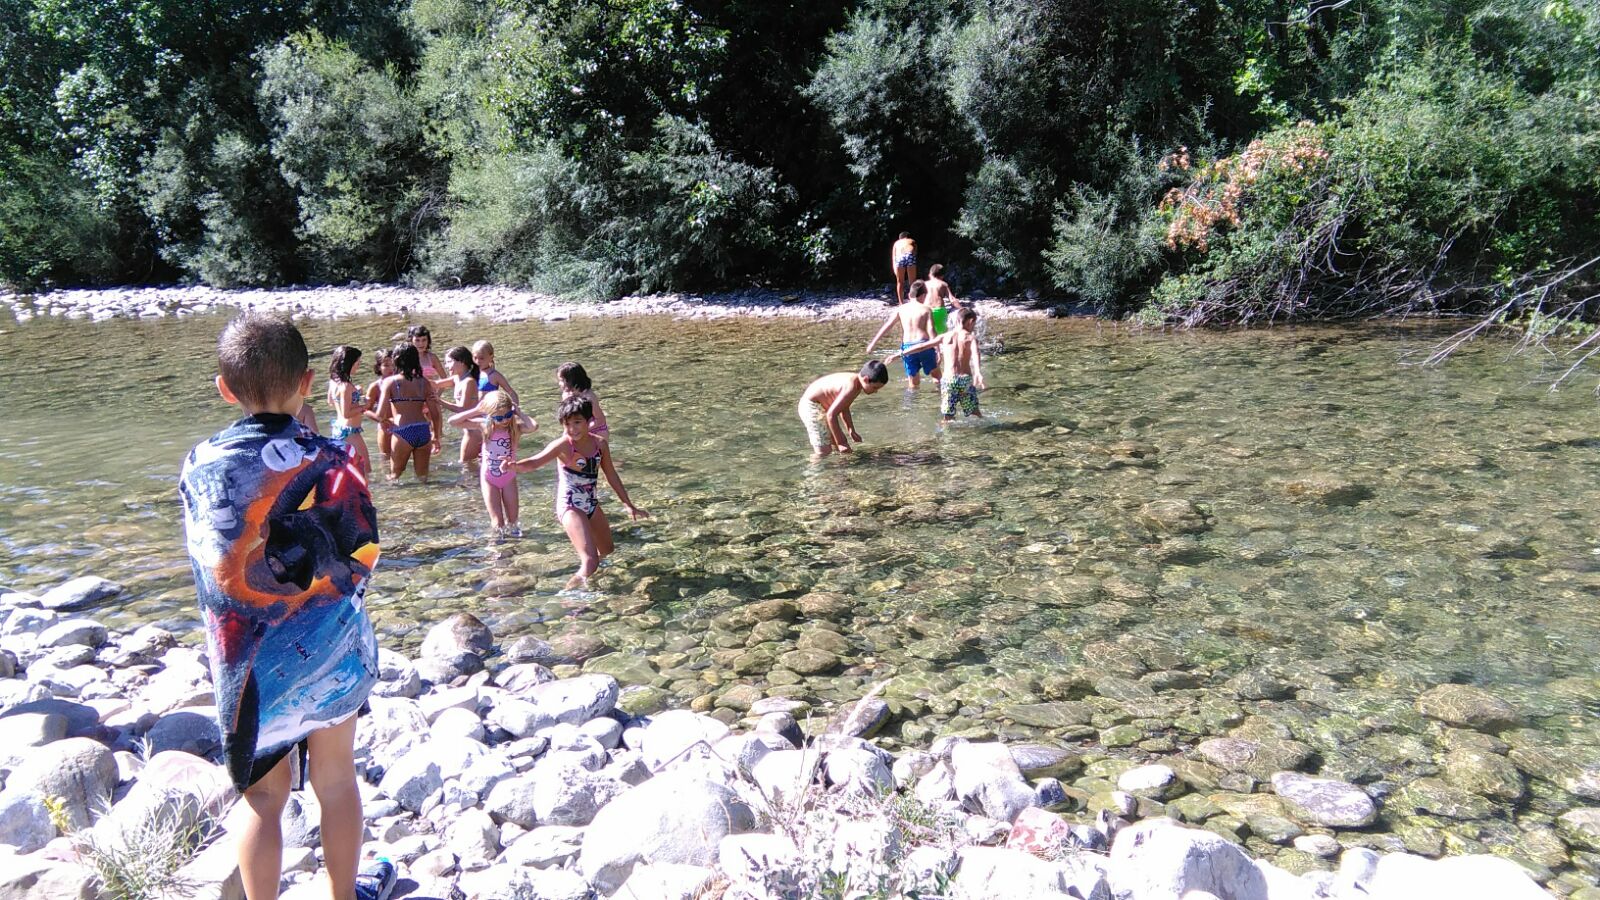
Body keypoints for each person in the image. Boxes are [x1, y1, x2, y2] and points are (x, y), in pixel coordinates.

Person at [178, 313, 396, 900]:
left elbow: (213, 564)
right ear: (306, 382)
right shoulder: (332, 458)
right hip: (329, 650)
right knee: (336, 781)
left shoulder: (202, 464)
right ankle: (342, 896)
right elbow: (364, 551)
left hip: (246, 660)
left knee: (263, 797)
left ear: (225, 388)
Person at [513, 397, 647, 588]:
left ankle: (592, 581)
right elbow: (535, 462)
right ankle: (569, 598)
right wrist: (515, 466)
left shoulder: (600, 444)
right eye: (567, 424)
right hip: (570, 505)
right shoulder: (563, 445)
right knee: (591, 560)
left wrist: (628, 504)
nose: (572, 429)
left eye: (577, 422)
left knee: (607, 550)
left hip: (591, 503)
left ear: (589, 421)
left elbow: (611, 475)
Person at [449, 391, 531, 537]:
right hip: (489, 479)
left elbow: (533, 426)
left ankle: (516, 549)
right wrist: (476, 410)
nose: (504, 420)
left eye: (507, 415)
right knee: (498, 522)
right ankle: (497, 550)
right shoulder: (484, 426)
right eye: (499, 418)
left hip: (509, 478)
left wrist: (519, 412)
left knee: (513, 521)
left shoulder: (515, 428)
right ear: (489, 415)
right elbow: (452, 421)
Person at [892, 307, 986, 421]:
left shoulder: (945, 336)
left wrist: (900, 353)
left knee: (947, 416)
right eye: (974, 324)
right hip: (964, 379)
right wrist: (978, 372)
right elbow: (976, 354)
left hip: (948, 380)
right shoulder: (970, 338)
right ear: (970, 321)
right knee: (974, 412)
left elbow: (922, 346)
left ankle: (945, 436)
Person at [376, 345, 444, 483]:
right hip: (423, 430)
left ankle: (396, 503)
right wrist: (436, 436)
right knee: (423, 478)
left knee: (394, 477)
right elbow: (435, 413)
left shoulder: (390, 382)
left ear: (396, 360)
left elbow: (380, 415)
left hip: (402, 431)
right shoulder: (424, 382)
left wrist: (365, 410)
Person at [797, 360, 890, 457]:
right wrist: (842, 443)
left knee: (835, 446)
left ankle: (837, 469)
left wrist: (851, 430)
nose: (875, 392)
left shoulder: (857, 383)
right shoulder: (851, 386)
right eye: (875, 388)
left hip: (822, 406)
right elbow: (831, 415)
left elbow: (844, 408)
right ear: (866, 379)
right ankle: (814, 470)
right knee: (823, 452)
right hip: (811, 407)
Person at [866, 279, 939, 388]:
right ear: (923, 295)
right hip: (924, 345)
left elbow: (887, 326)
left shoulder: (901, 309)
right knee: (937, 377)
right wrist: (938, 349)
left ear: (910, 295)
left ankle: (912, 404)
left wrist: (873, 343)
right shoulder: (926, 309)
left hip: (908, 347)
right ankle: (939, 399)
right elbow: (932, 330)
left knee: (913, 383)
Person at [438, 346, 483, 479]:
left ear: (462, 362)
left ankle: (473, 495)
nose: (446, 366)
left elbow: (463, 409)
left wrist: (440, 402)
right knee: (474, 467)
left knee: (466, 467)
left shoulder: (469, 382)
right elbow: (435, 384)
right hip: (471, 430)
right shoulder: (457, 379)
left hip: (474, 432)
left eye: (449, 362)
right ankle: (477, 493)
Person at [326, 345, 371, 475]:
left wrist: (354, 394)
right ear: (349, 363)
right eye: (357, 362)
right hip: (350, 433)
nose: (359, 365)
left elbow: (331, 402)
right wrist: (364, 406)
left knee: (349, 471)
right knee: (365, 470)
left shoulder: (333, 381)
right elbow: (346, 414)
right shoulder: (346, 386)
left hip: (339, 430)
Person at [556, 362, 609, 438]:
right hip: (576, 430)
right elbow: (567, 418)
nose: (559, 384)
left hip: (596, 430)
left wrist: (580, 430)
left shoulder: (589, 397)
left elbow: (600, 420)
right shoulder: (566, 395)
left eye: (561, 380)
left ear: (571, 380)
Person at [365, 348, 397, 466]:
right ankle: (387, 483)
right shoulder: (375, 387)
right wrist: (381, 419)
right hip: (385, 427)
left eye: (393, 365)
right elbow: (366, 409)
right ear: (378, 367)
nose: (391, 369)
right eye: (386, 365)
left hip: (403, 425)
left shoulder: (402, 382)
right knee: (386, 459)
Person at [472, 340, 520, 405]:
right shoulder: (472, 374)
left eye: (481, 358)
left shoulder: (494, 375)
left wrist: (515, 408)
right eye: (475, 358)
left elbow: (511, 392)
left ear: (491, 357)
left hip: (489, 412)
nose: (478, 361)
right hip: (474, 412)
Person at [925, 263, 963, 335]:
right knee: (941, 336)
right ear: (942, 275)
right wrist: (963, 309)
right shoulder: (943, 284)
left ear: (930, 274)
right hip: (939, 311)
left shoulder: (924, 284)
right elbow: (952, 300)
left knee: (929, 335)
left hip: (927, 311)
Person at [407, 325, 448, 389]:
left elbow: (444, 379)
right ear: (411, 341)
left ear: (428, 340)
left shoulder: (432, 358)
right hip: (411, 396)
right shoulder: (406, 358)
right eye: (417, 340)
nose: (421, 343)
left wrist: (436, 396)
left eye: (424, 340)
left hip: (429, 395)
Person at [891, 231, 917, 304]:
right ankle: (913, 301)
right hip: (910, 254)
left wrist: (894, 268)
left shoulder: (896, 243)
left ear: (900, 238)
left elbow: (894, 257)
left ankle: (901, 303)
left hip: (899, 257)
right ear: (908, 237)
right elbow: (915, 253)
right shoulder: (912, 241)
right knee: (912, 282)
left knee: (900, 282)